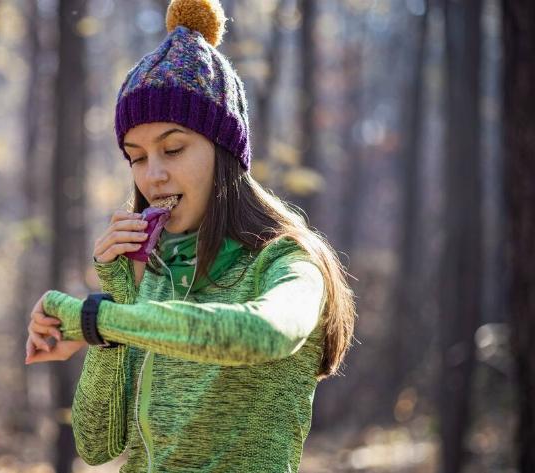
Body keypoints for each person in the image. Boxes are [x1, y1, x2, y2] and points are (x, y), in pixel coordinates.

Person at [24, 0, 356, 471]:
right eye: (136, 157)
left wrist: (97, 319)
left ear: (225, 152)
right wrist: (119, 295)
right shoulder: (154, 271)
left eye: (173, 148)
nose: (152, 175)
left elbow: (261, 334)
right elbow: (96, 444)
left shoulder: (288, 263)